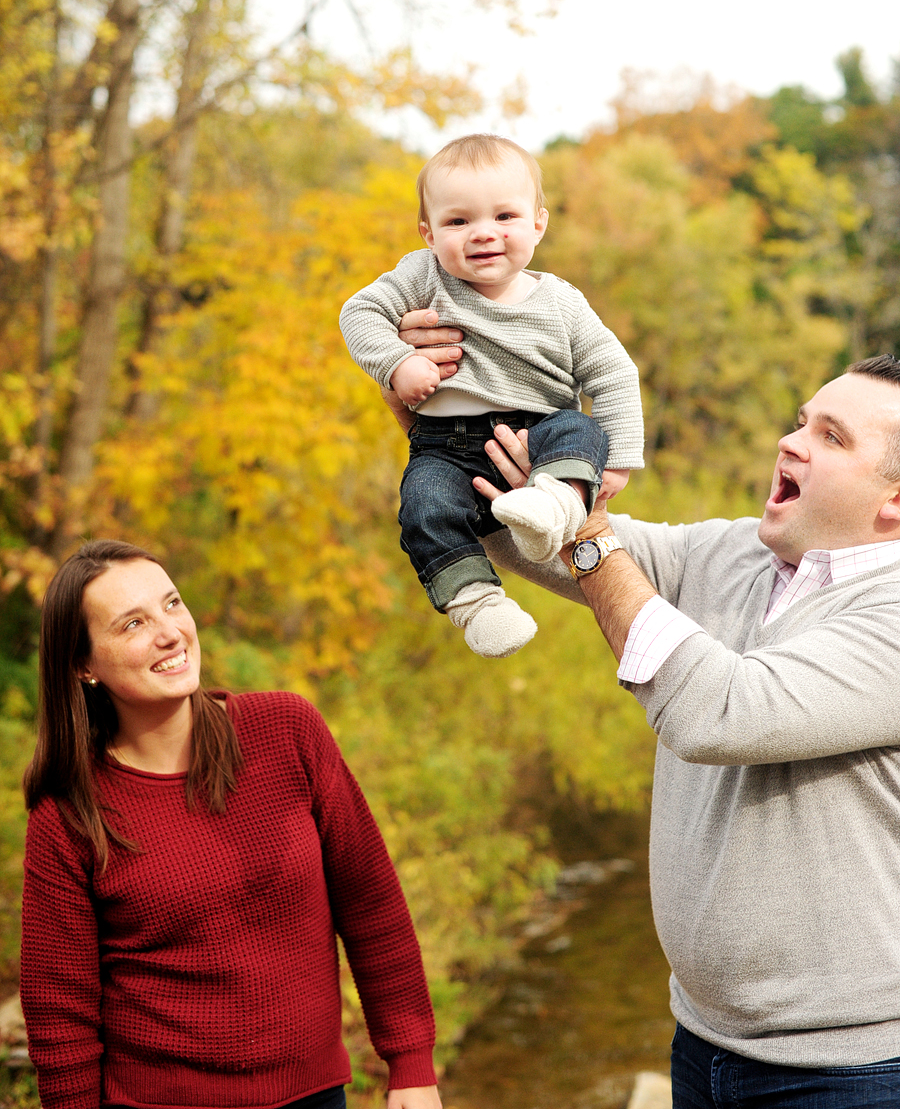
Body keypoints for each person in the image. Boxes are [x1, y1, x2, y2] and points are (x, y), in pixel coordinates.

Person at [393, 322, 900, 1107]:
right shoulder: (732, 552)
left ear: (894, 499)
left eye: (829, 436)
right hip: (701, 1040)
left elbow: (719, 711)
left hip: (854, 1073)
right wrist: (449, 421)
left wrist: (588, 529)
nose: (790, 442)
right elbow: (528, 532)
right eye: (800, 421)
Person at [20, 539, 442, 1109]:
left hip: (315, 1096)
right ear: (83, 665)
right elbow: (60, 1014)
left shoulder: (287, 731)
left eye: (172, 604)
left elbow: (371, 904)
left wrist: (412, 1065)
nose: (170, 632)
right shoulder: (69, 813)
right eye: (133, 624)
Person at [339, 133, 643, 659]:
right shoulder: (422, 276)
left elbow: (612, 371)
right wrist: (398, 361)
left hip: (542, 432)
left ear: (538, 224)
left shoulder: (561, 303)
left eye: (505, 217)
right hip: (444, 445)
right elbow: (359, 314)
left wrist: (618, 458)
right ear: (428, 233)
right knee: (424, 507)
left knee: (582, 430)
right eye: (459, 221)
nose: (484, 234)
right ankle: (477, 603)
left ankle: (552, 505)